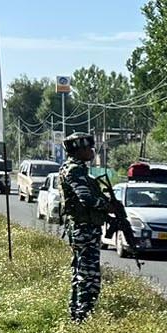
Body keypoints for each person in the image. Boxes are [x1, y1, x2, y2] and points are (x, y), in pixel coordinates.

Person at [56, 132, 113, 322]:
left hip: (83, 228)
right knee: (89, 278)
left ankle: (77, 315)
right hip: (84, 229)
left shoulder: (75, 168)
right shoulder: (74, 170)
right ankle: (82, 317)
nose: (92, 151)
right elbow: (86, 198)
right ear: (78, 150)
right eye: (88, 148)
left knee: (81, 273)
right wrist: (107, 206)